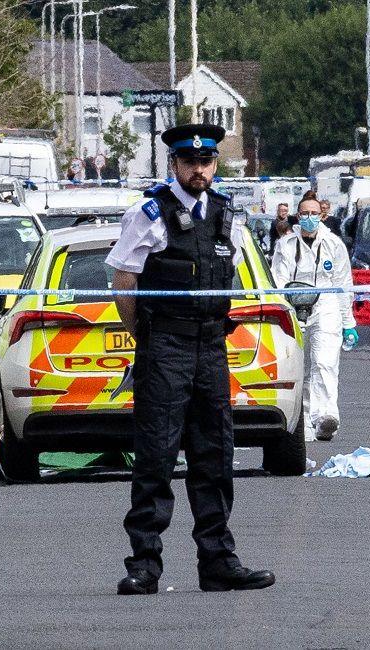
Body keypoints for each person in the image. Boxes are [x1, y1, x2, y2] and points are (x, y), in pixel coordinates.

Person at [107, 124, 275, 595]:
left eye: (205, 162)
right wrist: (144, 336)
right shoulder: (149, 213)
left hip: (211, 349)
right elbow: (125, 282)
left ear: (215, 165)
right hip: (165, 347)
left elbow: (232, 280)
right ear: (175, 165)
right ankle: (144, 565)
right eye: (189, 162)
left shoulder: (227, 214)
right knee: (156, 458)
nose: (197, 169)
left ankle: (218, 561)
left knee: (215, 455)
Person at [272, 191, 358, 442]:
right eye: (304, 214)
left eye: (314, 214)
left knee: (325, 362)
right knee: (300, 366)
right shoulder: (286, 244)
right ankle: (305, 421)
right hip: (294, 304)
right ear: (298, 216)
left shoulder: (334, 244)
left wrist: (348, 322)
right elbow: (278, 281)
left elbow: (344, 284)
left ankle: (326, 416)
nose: (309, 218)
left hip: (326, 304)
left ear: (323, 215)